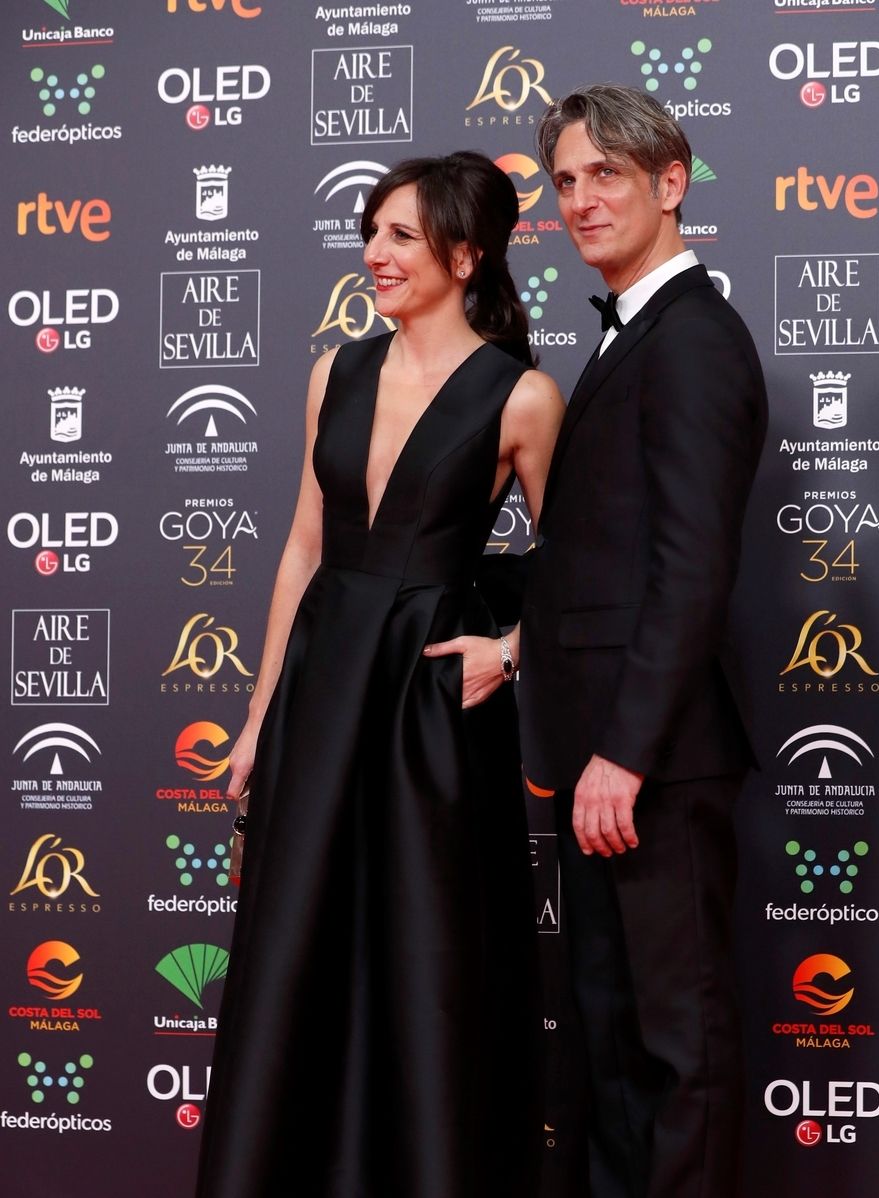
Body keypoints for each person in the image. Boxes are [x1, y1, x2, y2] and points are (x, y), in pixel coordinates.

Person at [194, 150, 565, 1198]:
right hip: (318, 691)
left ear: (465, 255)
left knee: (422, 956)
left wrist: (509, 650)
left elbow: (578, 566)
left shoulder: (523, 397)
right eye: (372, 233)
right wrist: (259, 715)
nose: (375, 254)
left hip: (426, 708)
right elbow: (303, 546)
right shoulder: (336, 372)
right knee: (295, 945)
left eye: (402, 236)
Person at [517, 85, 768, 1198]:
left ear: (672, 183)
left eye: (606, 174)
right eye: (565, 180)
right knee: (613, 1046)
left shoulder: (694, 338)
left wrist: (624, 752)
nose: (580, 199)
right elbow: (605, 562)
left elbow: (690, 569)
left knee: (676, 1041)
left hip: (648, 761)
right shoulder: (635, 338)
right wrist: (513, 651)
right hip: (601, 761)